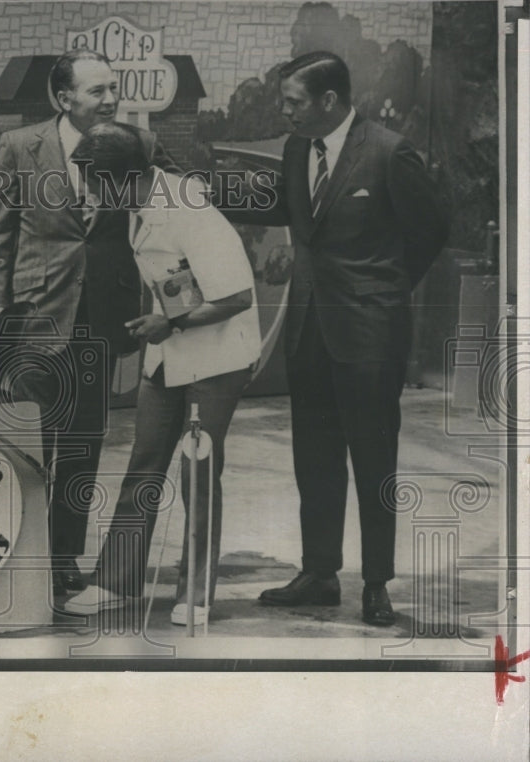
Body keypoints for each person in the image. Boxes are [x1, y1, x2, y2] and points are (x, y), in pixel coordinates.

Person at [239, 51, 448, 625]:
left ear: (329, 101)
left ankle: (376, 584)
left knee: (374, 460)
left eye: (293, 101)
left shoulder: (387, 150)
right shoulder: (294, 149)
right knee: (316, 458)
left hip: (369, 334)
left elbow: (432, 228)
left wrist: (383, 290)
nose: (285, 111)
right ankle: (319, 574)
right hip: (307, 330)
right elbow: (306, 227)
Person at [0, 48, 179, 599]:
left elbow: (178, 205)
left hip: (102, 319)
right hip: (35, 314)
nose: (111, 99)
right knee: (29, 444)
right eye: (97, 91)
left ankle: (63, 558)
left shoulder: (139, 144)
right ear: (64, 99)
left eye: (113, 88)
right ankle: (21, 556)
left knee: (82, 445)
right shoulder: (21, 146)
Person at [62, 122, 261, 624]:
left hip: (218, 355)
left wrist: (165, 321)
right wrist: (165, 323)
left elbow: (235, 297)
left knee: (197, 469)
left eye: (94, 184)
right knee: (145, 461)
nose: (89, 194)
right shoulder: (137, 203)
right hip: (171, 348)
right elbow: (177, 279)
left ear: (123, 179)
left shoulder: (191, 210)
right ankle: (116, 580)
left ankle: (195, 593)